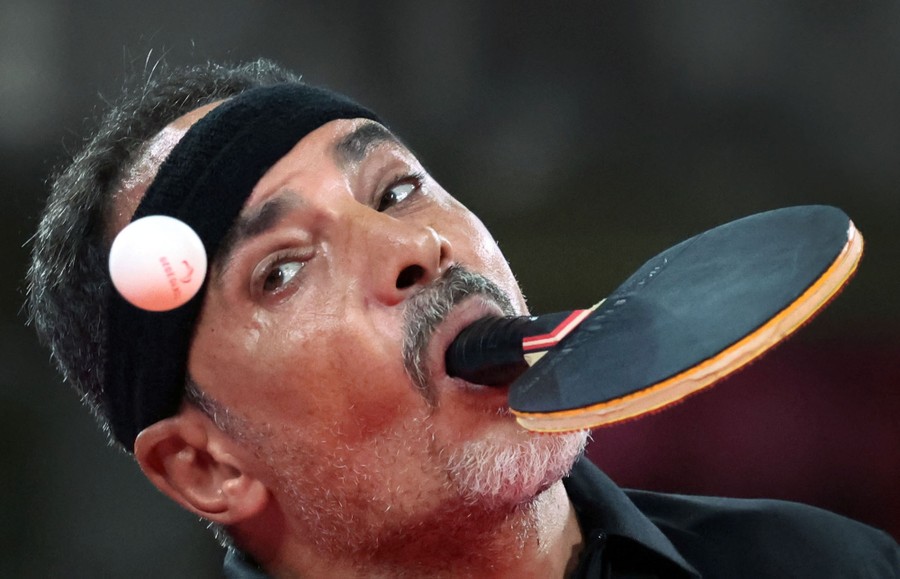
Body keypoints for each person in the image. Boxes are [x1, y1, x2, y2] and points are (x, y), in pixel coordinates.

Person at [27, 59, 898, 578]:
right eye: (283, 269)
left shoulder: (829, 565)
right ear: (206, 466)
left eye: (398, 190)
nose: (414, 248)